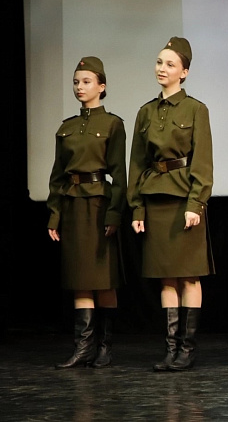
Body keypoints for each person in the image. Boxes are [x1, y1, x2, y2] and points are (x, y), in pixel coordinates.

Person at [128, 37, 214, 372]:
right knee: (166, 278)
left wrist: (196, 202)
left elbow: (202, 161)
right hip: (155, 198)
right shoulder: (145, 112)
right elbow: (137, 163)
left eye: (170, 64)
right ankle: (171, 349)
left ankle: (187, 349)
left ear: (184, 72)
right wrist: (137, 207)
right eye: (159, 62)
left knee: (189, 276)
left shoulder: (195, 109)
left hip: (184, 198)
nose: (162, 69)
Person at [47, 56, 127, 369]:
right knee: (80, 277)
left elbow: (119, 175)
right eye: (76, 82)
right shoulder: (66, 128)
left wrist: (114, 214)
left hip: (99, 205)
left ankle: (105, 347)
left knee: (103, 279)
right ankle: (83, 348)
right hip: (72, 205)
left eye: (86, 82)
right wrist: (54, 214)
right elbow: (57, 176)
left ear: (101, 86)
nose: (80, 87)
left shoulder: (112, 124)